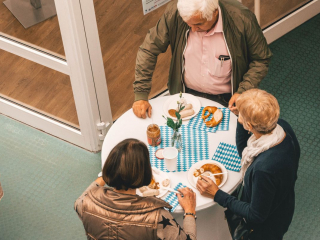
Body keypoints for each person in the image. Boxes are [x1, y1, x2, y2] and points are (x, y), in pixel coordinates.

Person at [133, 0, 272, 118]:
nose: (193, 29)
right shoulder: (175, 13)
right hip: (185, 94)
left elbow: (261, 59)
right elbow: (148, 49)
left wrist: (243, 91)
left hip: (227, 100)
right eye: (188, 23)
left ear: (215, 13)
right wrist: (141, 94)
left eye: (198, 24)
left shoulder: (242, 19)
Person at [196, 89, 300, 240]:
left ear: (250, 126)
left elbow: (256, 215)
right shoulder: (283, 128)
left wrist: (217, 194)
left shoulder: (263, 169)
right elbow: (245, 150)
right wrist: (242, 119)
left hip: (264, 230)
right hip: (282, 204)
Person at [74, 138, 197, 240]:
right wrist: (190, 211)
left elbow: (80, 200)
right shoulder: (157, 216)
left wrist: (106, 175)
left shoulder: (85, 202)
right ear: (146, 173)